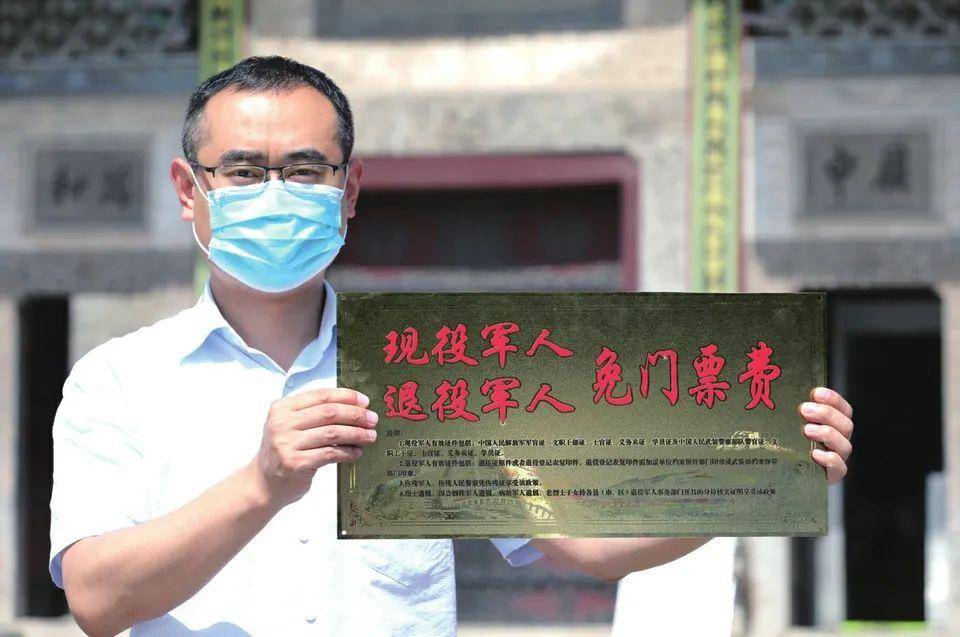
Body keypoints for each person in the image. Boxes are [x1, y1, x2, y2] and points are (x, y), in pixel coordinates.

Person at [48, 56, 855, 637]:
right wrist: (261, 484)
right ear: (188, 189)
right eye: (244, 172)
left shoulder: (427, 375)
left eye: (305, 170)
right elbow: (96, 598)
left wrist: (761, 471)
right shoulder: (118, 379)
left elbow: (591, 541)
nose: (277, 193)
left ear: (349, 190)